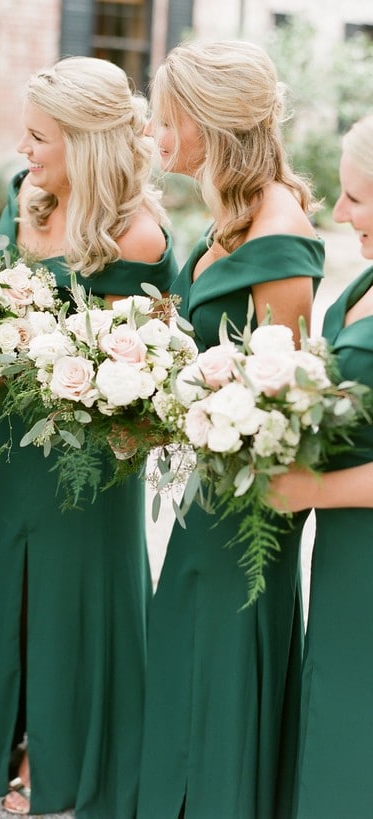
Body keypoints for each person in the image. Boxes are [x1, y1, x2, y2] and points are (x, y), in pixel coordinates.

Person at [0, 56, 177, 817]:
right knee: (18, 583)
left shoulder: (138, 235)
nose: (25, 152)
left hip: (91, 452)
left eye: (39, 138)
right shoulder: (27, 197)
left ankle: (71, 754)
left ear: (88, 144)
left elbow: (154, 368)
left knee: (74, 598)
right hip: (15, 434)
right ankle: (17, 734)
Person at [136, 40, 325, 819]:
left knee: (223, 665)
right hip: (203, 489)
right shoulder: (229, 215)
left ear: (208, 120)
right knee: (185, 645)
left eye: (166, 110)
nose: (154, 125)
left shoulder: (279, 236)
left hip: (245, 504)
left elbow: (276, 398)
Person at [266, 114, 373, 818]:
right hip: (344, 557)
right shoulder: (364, 275)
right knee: (336, 709)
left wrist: (309, 486)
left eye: (356, 197)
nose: (337, 212)